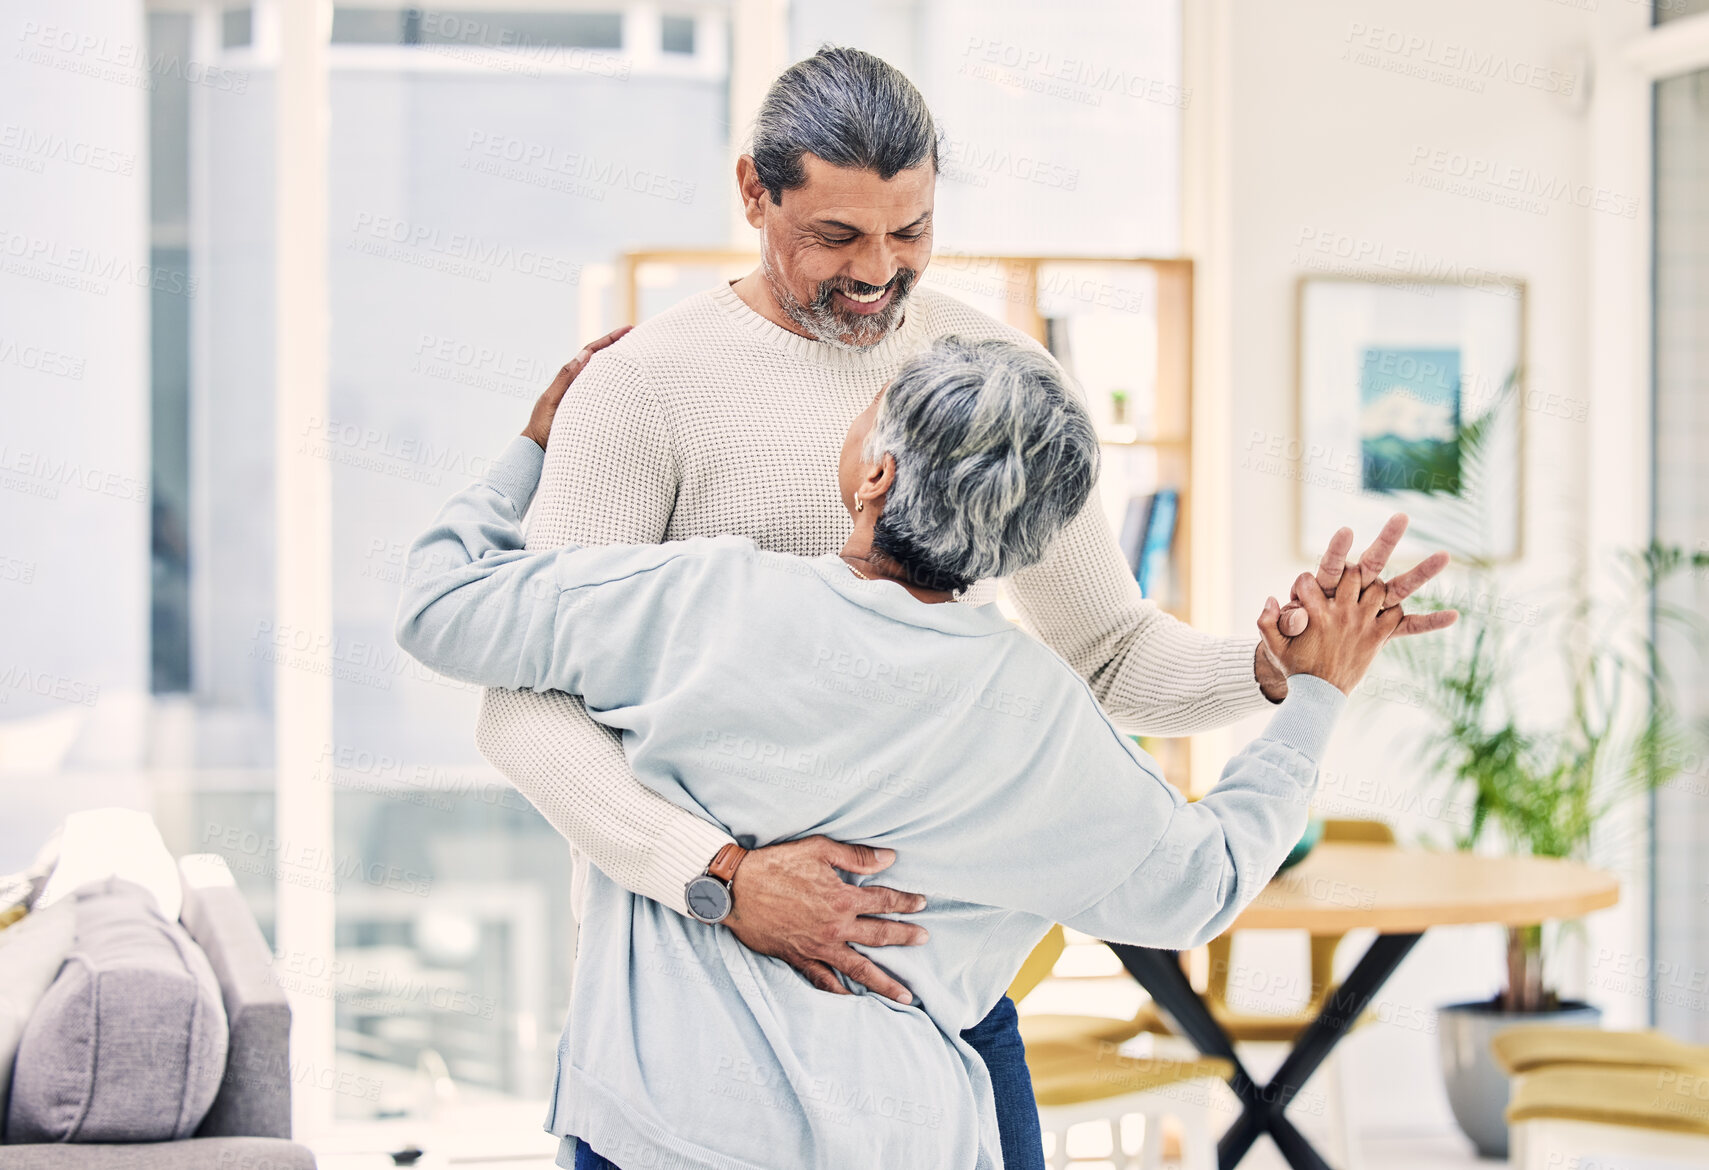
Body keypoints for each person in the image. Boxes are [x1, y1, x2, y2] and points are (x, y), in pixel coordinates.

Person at [472, 46, 1455, 1170]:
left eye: (910, 231)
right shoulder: (643, 388)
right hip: (695, 1033)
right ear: (753, 192)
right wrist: (723, 879)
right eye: (836, 236)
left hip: (936, 1016)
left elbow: (1111, 652)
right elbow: (524, 710)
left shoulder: (986, 365)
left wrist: (1271, 668)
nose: (877, 275)